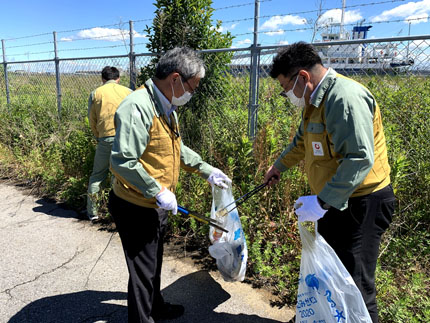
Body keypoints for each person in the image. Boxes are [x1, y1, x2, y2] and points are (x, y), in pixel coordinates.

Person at [264, 42, 395, 323]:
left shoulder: (344, 98)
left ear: (302, 77)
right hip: (334, 201)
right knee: (333, 273)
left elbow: (359, 159)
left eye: (286, 88)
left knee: (356, 283)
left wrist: (321, 202)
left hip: (363, 202)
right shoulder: (315, 101)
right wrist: (278, 166)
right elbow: (302, 142)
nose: (287, 94)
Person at [108, 47, 231, 323]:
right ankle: (143, 318)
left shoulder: (166, 106)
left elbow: (176, 148)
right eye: (193, 86)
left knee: (153, 262)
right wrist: (157, 190)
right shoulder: (138, 106)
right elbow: (123, 161)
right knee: (143, 270)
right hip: (135, 204)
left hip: (155, 204)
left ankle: (156, 306)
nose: (193, 92)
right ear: (176, 79)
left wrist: (206, 170)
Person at [86, 66, 132, 221]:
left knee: (97, 175)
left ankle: (93, 212)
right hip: (125, 138)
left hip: (105, 138)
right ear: (118, 79)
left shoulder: (96, 93)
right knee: (120, 176)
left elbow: (92, 119)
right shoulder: (128, 92)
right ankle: (118, 212)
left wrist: (98, 135)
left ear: (102, 79)